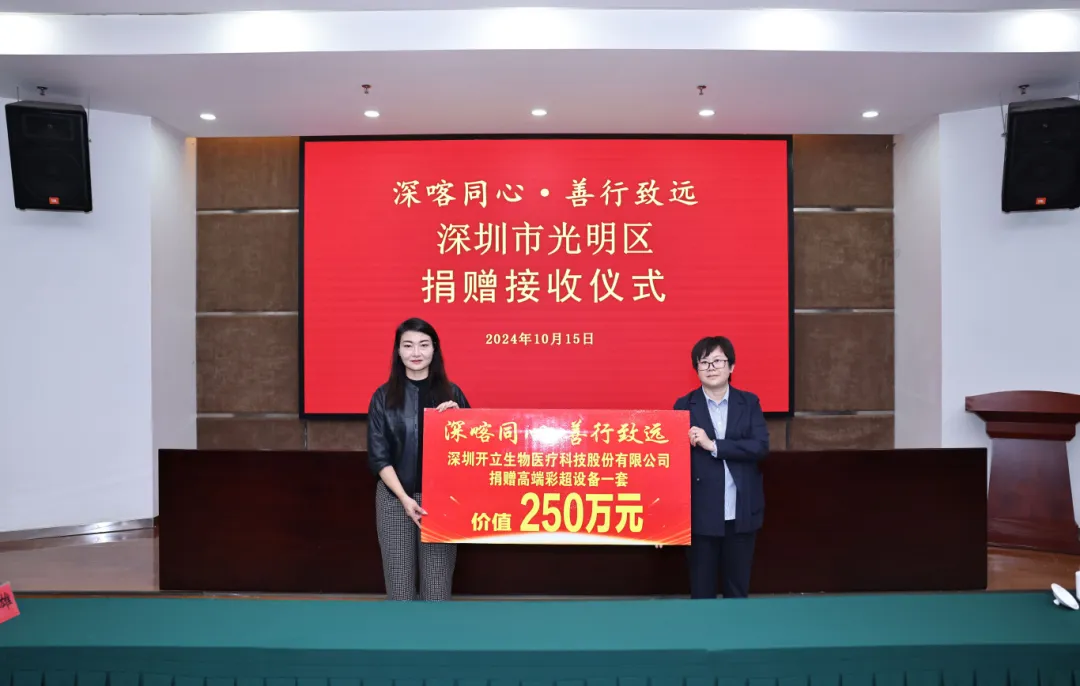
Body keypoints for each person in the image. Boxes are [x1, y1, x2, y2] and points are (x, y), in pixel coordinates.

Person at [367, 317, 470, 601]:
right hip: (394, 498)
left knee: (437, 590)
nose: (416, 352)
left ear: (434, 350)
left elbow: (472, 453)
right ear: (398, 351)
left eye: (424, 345)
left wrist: (460, 422)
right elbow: (378, 456)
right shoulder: (382, 397)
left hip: (441, 501)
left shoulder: (453, 394)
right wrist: (404, 498)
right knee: (399, 589)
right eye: (408, 345)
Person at [673, 336, 769, 599]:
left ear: (731, 366)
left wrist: (713, 445)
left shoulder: (749, 403)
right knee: (701, 593)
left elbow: (759, 446)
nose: (711, 367)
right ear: (696, 369)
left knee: (737, 591)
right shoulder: (683, 405)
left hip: (740, 513)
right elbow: (673, 463)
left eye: (717, 361)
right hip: (700, 515)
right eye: (704, 362)